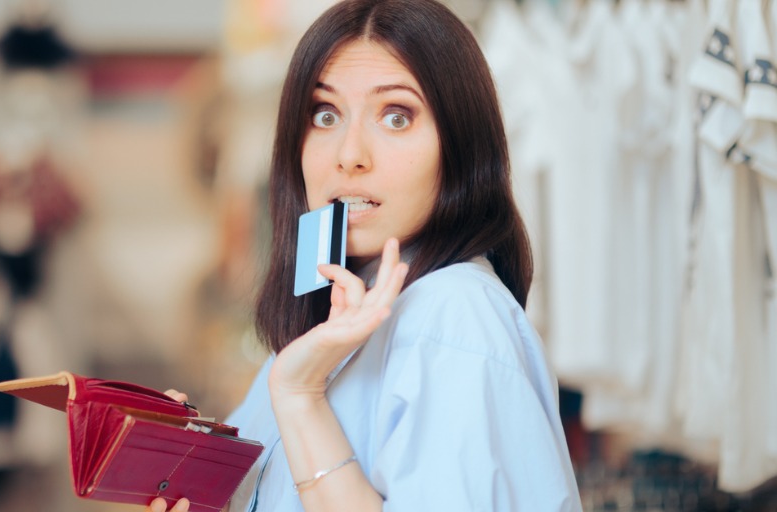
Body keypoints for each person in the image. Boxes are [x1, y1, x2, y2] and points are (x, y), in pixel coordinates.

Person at [150, 0, 581, 510]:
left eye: (396, 117)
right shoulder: (321, 323)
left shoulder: (453, 316)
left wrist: (302, 399)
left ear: (460, 148)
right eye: (325, 114)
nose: (349, 153)